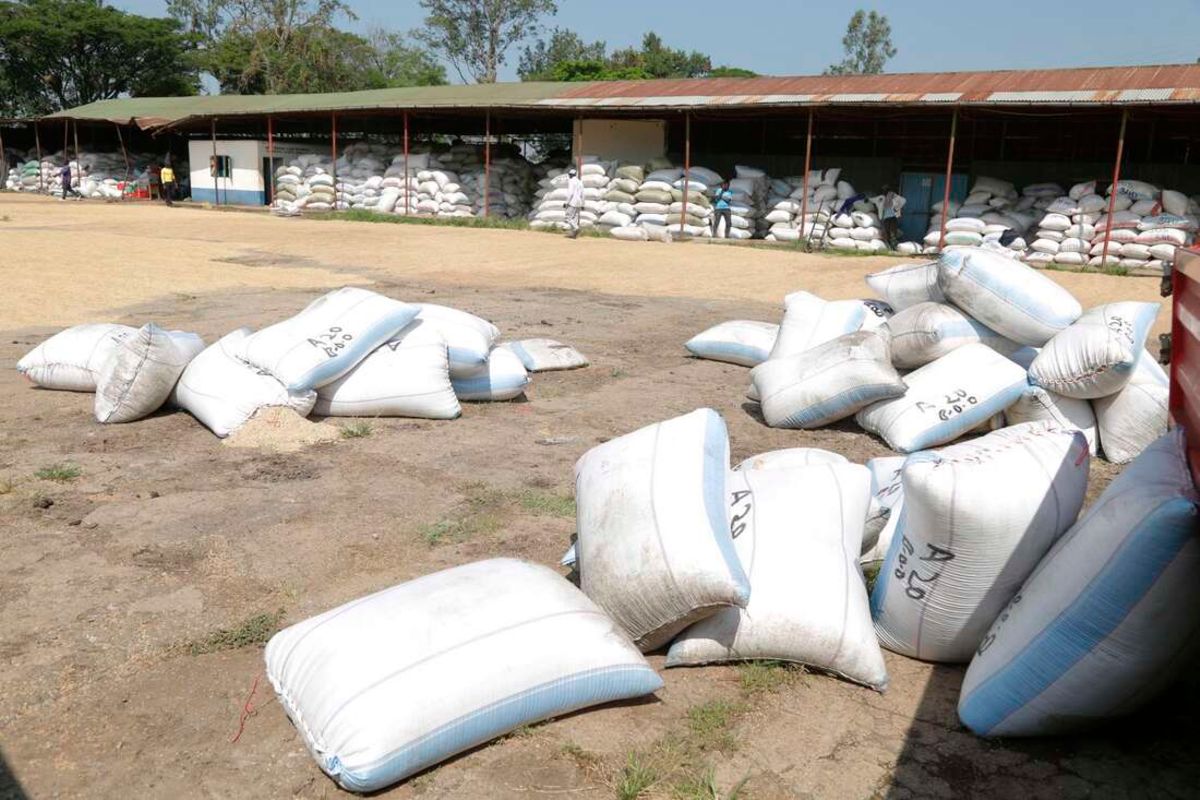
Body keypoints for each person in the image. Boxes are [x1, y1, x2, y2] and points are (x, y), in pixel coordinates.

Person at [564, 167, 584, 238]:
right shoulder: (580, 182)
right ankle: (574, 235)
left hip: (572, 202)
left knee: (568, 217)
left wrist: (566, 202)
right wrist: (583, 204)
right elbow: (582, 194)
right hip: (578, 202)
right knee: (575, 218)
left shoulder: (571, 181)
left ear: (570, 175)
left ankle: (576, 228)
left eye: (570, 175)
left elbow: (571, 193)